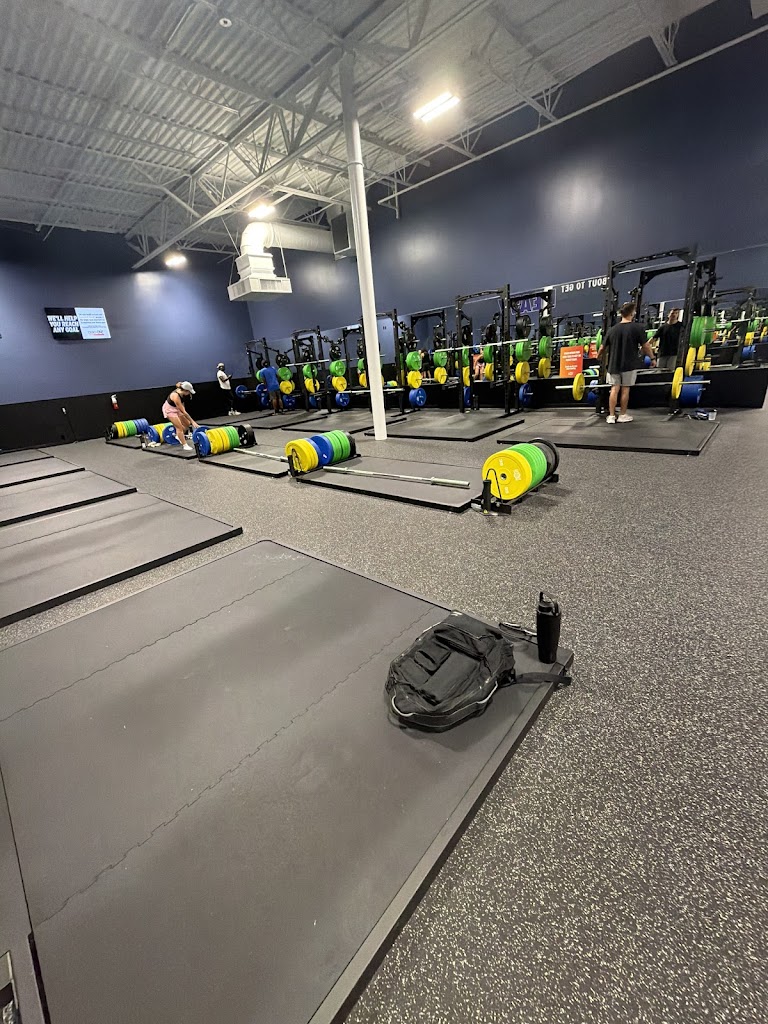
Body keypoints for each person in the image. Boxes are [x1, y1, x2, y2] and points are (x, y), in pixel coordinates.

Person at [602, 302, 655, 424]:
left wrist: (599, 356)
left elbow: (602, 348)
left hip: (613, 365)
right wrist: (652, 358)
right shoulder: (638, 328)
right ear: (632, 313)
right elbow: (646, 346)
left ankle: (611, 416)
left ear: (621, 314)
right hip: (629, 365)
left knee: (614, 389)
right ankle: (622, 415)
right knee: (625, 389)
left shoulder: (612, 330)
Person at [162, 381, 199, 449]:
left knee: (187, 423)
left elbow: (178, 384)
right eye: (189, 392)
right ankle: (185, 445)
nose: (189, 393)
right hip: (169, 410)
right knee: (179, 428)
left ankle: (178, 436)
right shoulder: (175, 396)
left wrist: (190, 422)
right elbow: (183, 411)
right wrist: (193, 421)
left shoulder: (181, 387)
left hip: (177, 408)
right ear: (185, 390)